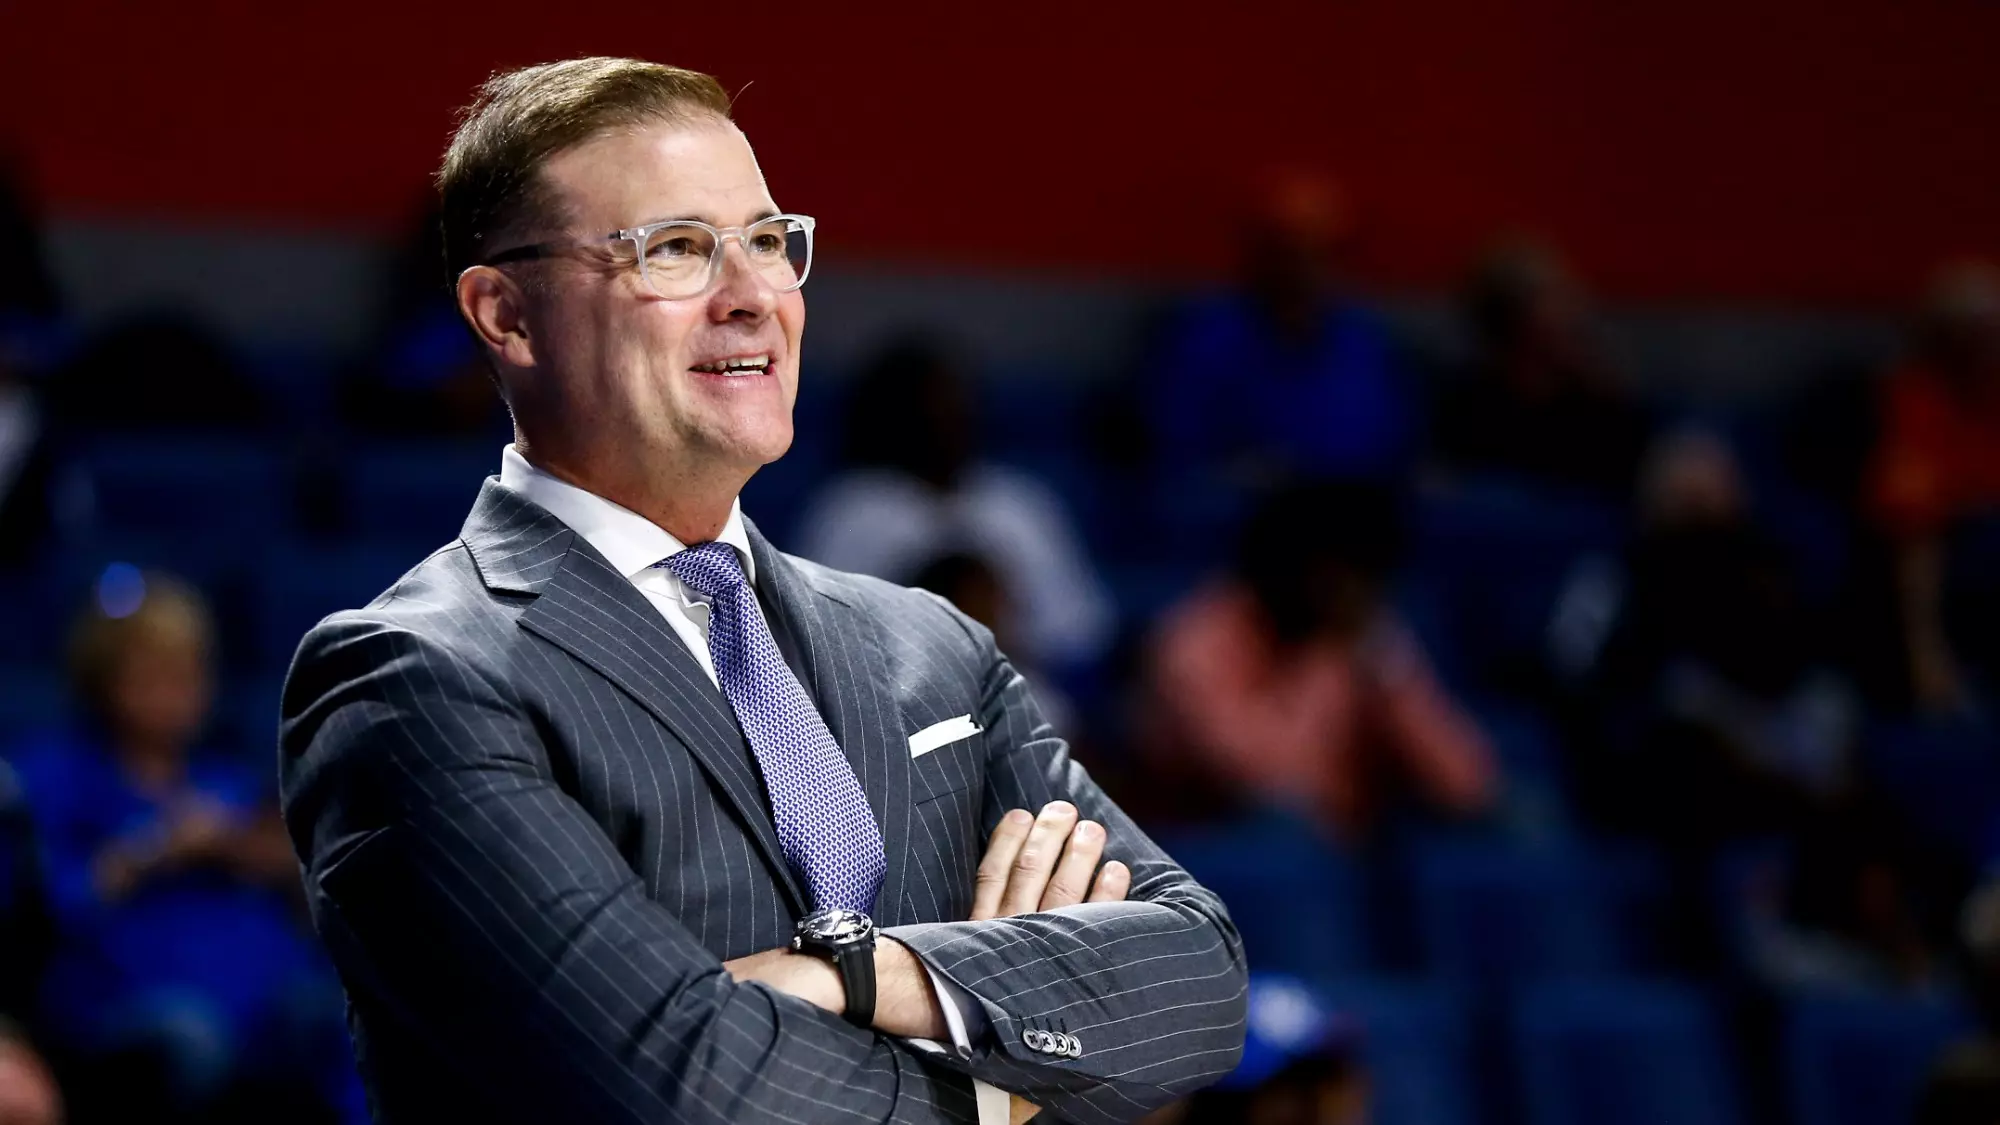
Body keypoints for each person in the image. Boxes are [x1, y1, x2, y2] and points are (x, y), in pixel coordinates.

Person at [279, 58, 1247, 1125]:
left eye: (766, 241)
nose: (750, 298)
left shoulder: (929, 646)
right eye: (678, 250)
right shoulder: (413, 677)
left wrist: (861, 975)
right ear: (506, 315)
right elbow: (679, 1087)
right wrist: (1004, 1094)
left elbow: (1197, 980)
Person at [10, 571, 352, 1119]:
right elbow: (44, 907)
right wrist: (154, 850)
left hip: (256, 992)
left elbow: (310, 903)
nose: (177, 694)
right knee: (190, 1035)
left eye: (189, 675)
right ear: (103, 680)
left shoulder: (227, 782)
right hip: (122, 999)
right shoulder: (52, 777)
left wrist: (258, 856)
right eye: (154, 675)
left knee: (336, 1012)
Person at [1142, 480, 1496, 837]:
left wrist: (1388, 666)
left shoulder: (1367, 640)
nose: (1355, 591)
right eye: (1339, 571)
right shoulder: (1197, 642)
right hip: (1217, 854)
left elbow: (1467, 787)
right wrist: (1326, 669)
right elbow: (1269, 788)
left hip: (1345, 861)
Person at [796, 336, 1116, 673]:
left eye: (955, 407)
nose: (946, 420)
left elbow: (1081, 630)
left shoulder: (1019, 504)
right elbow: (813, 636)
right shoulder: (852, 512)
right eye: (930, 408)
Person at [1146, 171, 1414, 487]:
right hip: (1252, 512)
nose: (1308, 269)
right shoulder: (1207, 337)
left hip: (1359, 507)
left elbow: (1396, 439)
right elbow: (1179, 443)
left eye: (1325, 252)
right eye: (1292, 252)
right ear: (1262, 255)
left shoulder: (1365, 339)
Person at [1865, 261, 2000, 713]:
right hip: (1959, 579)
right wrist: (1926, 654)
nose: (1987, 340)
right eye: (1974, 328)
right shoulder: (1915, 400)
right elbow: (1916, 540)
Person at [1431, 238, 1649, 497]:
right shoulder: (1465, 406)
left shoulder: (1601, 402)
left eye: (1569, 295)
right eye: (1554, 299)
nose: (1576, 310)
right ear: (1513, 320)